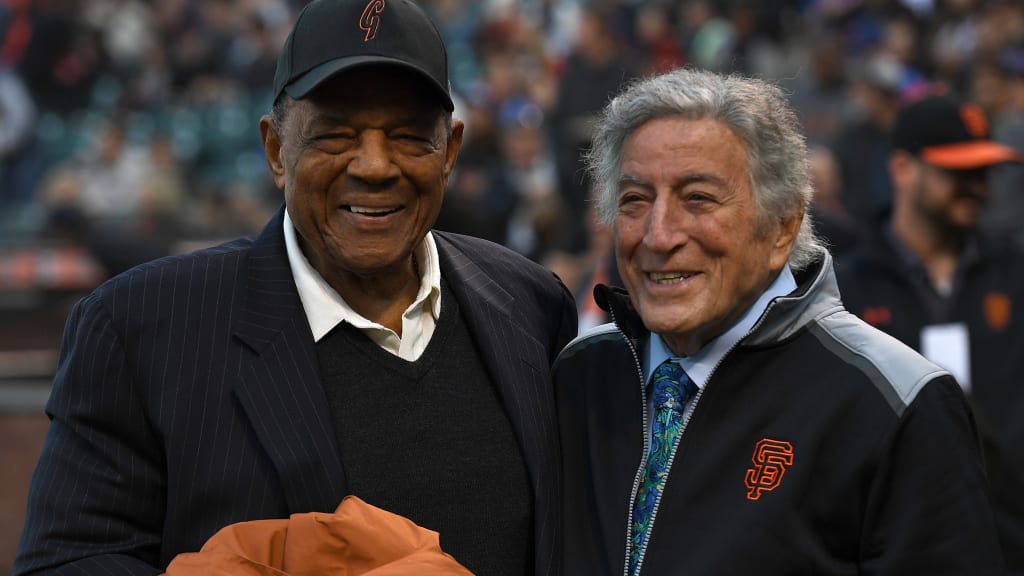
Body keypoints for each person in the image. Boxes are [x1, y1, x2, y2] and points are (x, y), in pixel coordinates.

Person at [14, 1, 578, 574]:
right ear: (276, 151)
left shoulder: (530, 303)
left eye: (409, 136)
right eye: (335, 135)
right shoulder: (141, 327)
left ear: (450, 151)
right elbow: (65, 563)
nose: (375, 166)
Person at [554, 67, 1004, 575]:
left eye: (697, 198)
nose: (659, 235)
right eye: (635, 200)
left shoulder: (895, 400)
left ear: (783, 227)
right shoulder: (580, 374)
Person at [834, 93, 1024, 573]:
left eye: (983, 172)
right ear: (903, 168)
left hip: (1011, 539)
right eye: (957, 171)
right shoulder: (847, 286)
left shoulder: (1015, 274)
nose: (975, 186)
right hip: (895, 544)